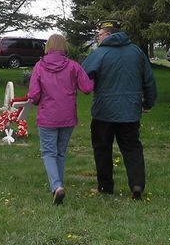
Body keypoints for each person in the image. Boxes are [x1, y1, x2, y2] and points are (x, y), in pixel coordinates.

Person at [82, 20, 157, 200]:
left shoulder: (99, 53)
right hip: (130, 112)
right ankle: (137, 185)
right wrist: (148, 103)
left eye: (99, 35)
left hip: (104, 112)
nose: (98, 38)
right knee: (132, 148)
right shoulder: (137, 52)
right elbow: (149, 80)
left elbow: (83, 75)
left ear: (107, 35)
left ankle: (105, 187)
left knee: (102, 149)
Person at [27, 33, 94, 205]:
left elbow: (33, 96)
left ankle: (56, 186)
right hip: (67, 116)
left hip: (47, 116)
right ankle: (58, 185)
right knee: (60, 152)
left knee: (48, 152)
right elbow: (87, 88)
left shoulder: (39, 67)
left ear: (48, 47)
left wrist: (36, 100)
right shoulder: (73, 66)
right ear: (65, 47)